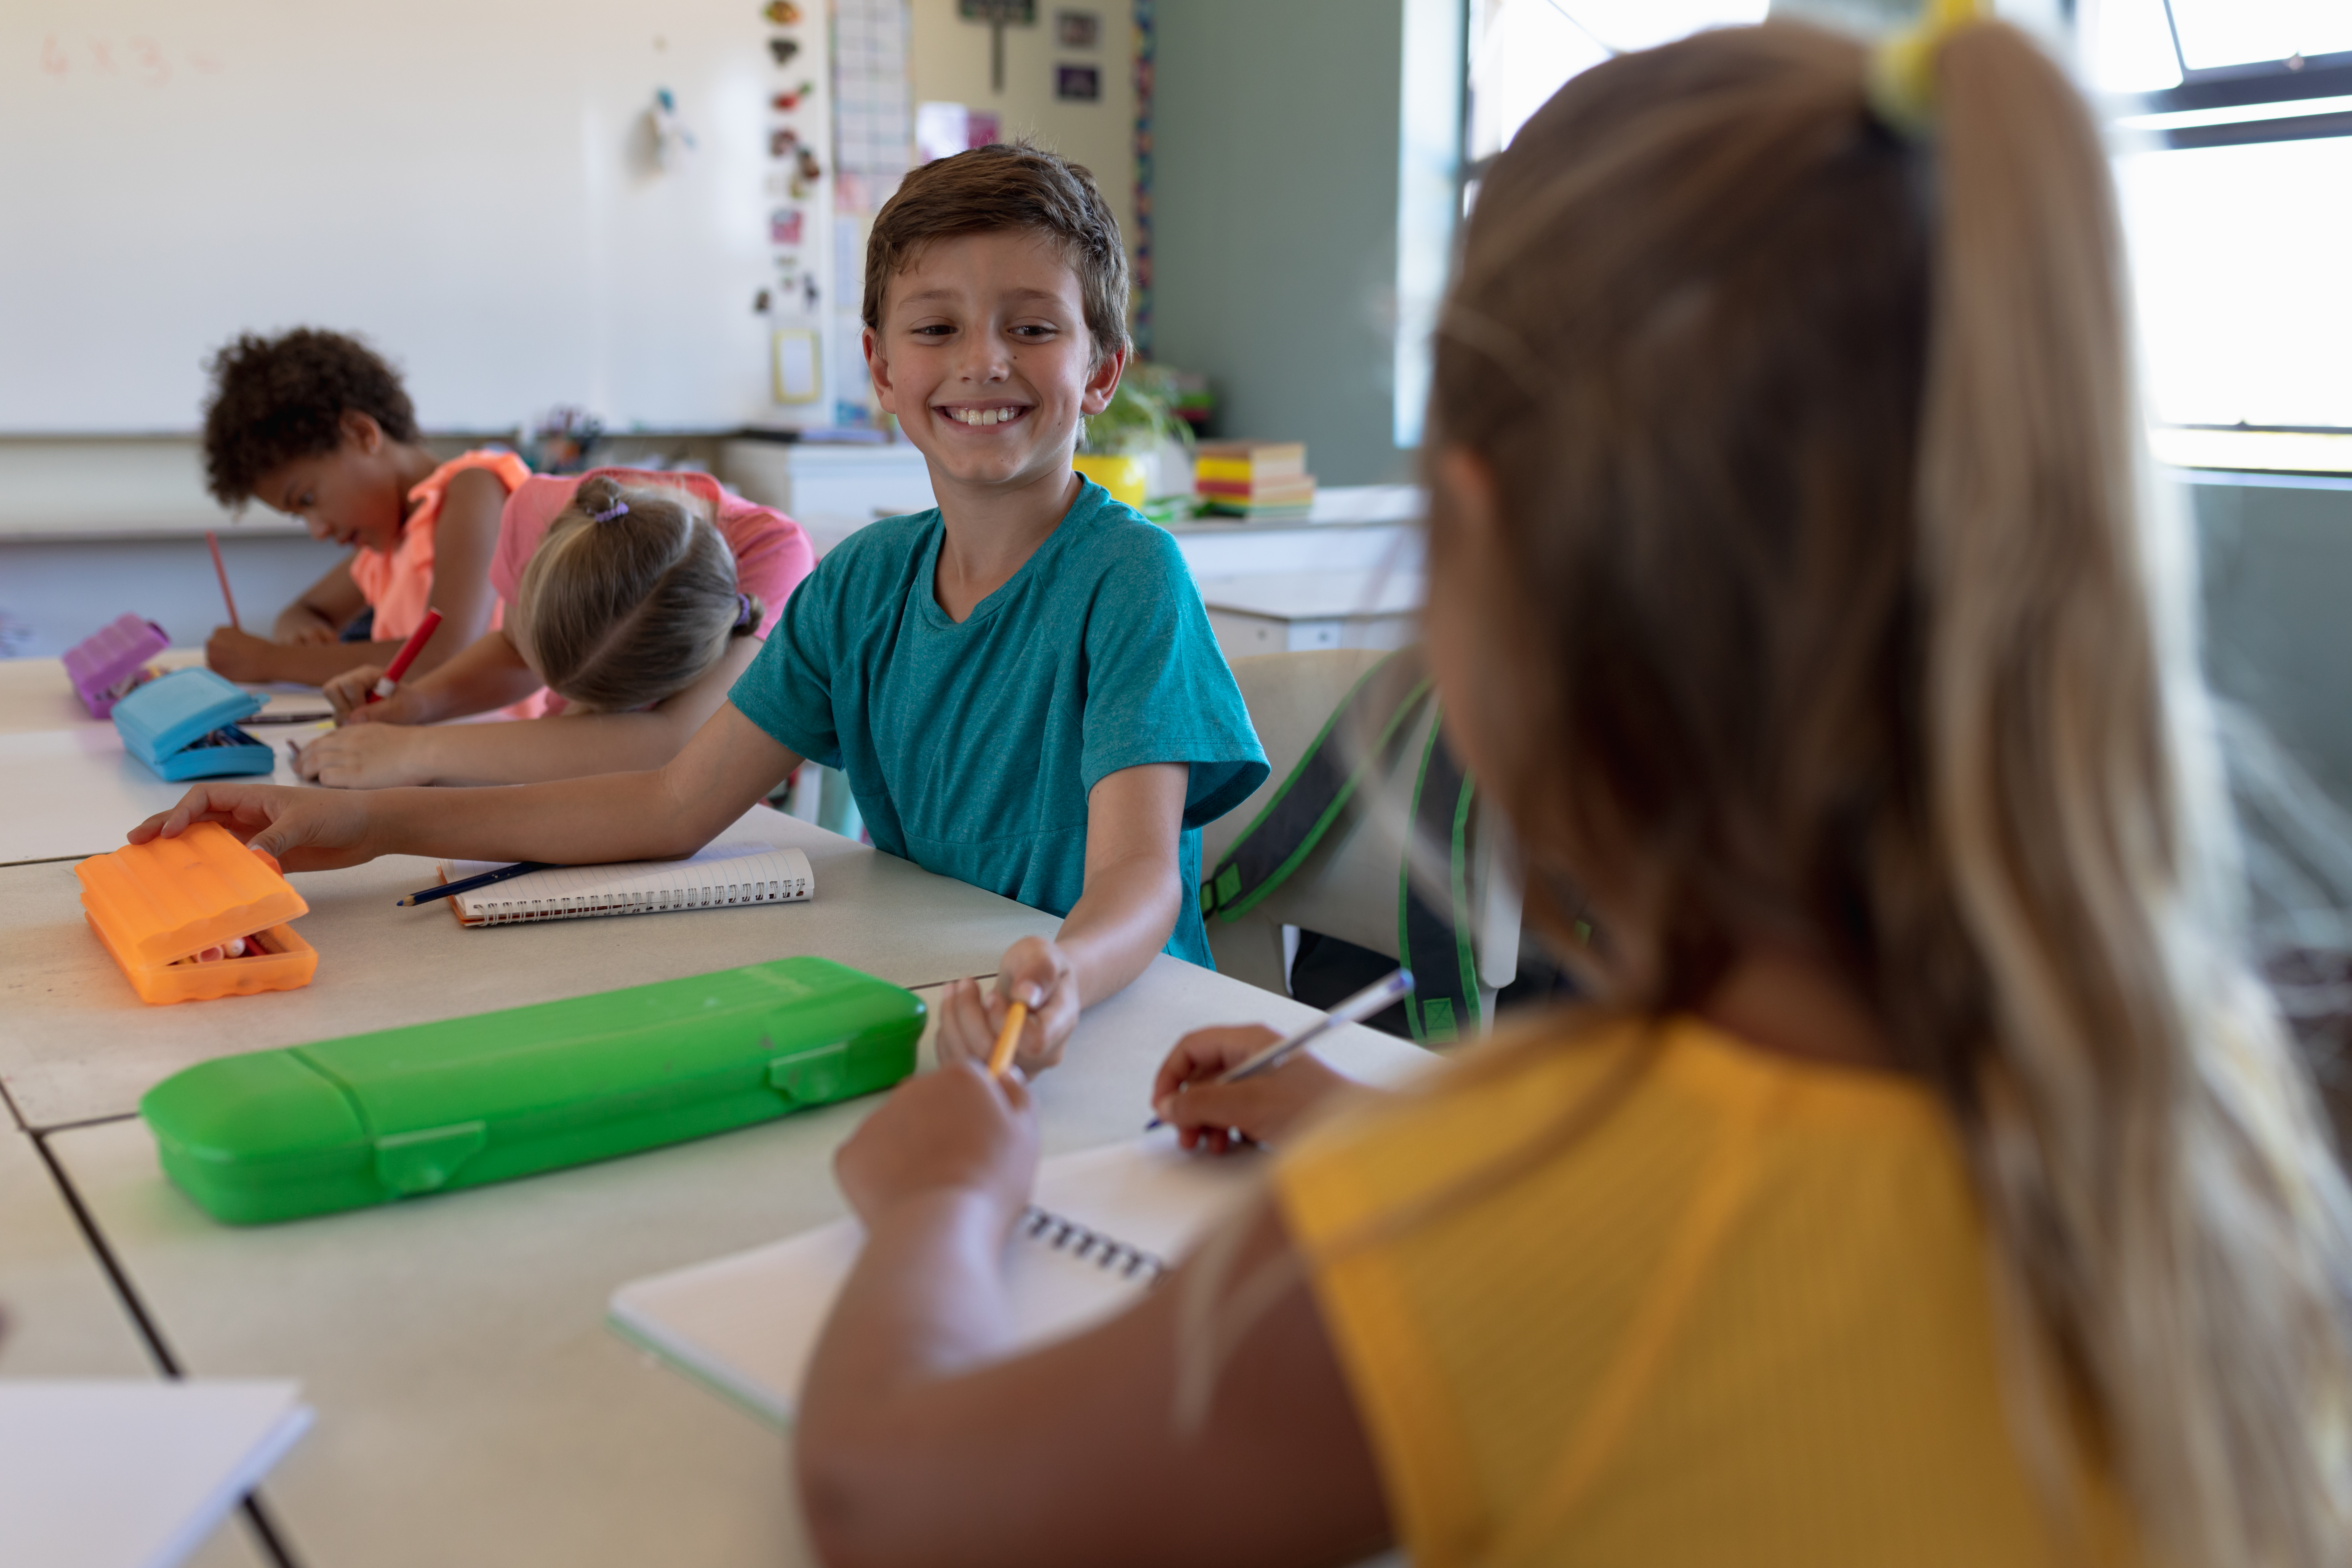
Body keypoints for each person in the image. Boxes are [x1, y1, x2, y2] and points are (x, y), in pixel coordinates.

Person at [785, 13, 2352, 1568]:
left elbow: (887, 1497)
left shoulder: (1502, 1236)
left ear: (1488, 551)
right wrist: (1378, 1122)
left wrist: (940, 1196)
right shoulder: (2196, 1090)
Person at [132, 143, 1268, 1074]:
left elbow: (1139, 880)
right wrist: (373, 824)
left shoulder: (1130, 578)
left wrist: (1064, 974)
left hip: (1121, 1026)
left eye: (1033, 327)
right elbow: (673, 802)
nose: (984, 362)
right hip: (941, 1002)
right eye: (936, 329)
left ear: (1102, 369)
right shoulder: (864, 583)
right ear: (881, 369)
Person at [291, 469, 815, 787]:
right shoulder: (537, 511)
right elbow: (514, 651)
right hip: (570, 777)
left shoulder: (772, 553)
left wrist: (415, 752)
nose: (563, 702)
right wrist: (418, 705)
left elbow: (672, 742)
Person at [198, 327, 518, 688]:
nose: (318, 531)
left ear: (362, 434)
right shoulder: (390, 543)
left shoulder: (473, 490)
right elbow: (304, 610)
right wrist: (302, 630)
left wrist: (271, 661)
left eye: (307, 500)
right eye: (299, 516)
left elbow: (446, 656)